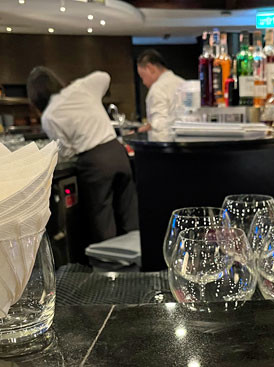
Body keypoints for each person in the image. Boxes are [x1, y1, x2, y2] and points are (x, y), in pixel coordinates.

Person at [27, 66, 138, 245]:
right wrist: (79, 85)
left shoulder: (49, 116)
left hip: (95, 162)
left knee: (103, 221)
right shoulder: (82, 87)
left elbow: (65, 150)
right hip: (117, 153)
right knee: (129, 214)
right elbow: (104, 76)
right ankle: (137, 258)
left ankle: (108, 261)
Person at [136, 49, 184, 133]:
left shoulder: (157, 88)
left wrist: (140, 131)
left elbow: (158, 124)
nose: (143, 82)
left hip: (166, 139)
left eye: (142, 76)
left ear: (150, 68)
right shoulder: (183, 83)